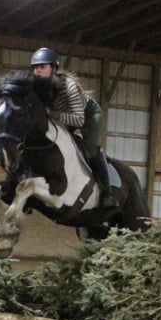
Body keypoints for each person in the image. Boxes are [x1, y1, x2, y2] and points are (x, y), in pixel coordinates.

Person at [29, 47, 119, 209]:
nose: (38, 71)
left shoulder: (69, 86)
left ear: (54, 68)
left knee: (91, 150)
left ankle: (107, 194)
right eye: (36, 68)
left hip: (87, 115)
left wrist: (54, 115)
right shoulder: (35, 87)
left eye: (42, 67)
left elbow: (78, 120)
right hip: (61, 118)